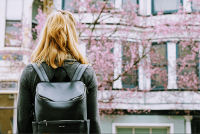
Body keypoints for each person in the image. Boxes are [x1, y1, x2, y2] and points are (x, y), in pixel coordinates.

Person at [17, 10, 101, 133]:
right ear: (72, 36)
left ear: (46, 35)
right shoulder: (86, 73)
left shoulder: (30, 73)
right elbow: (93, 123)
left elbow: (22, 123)